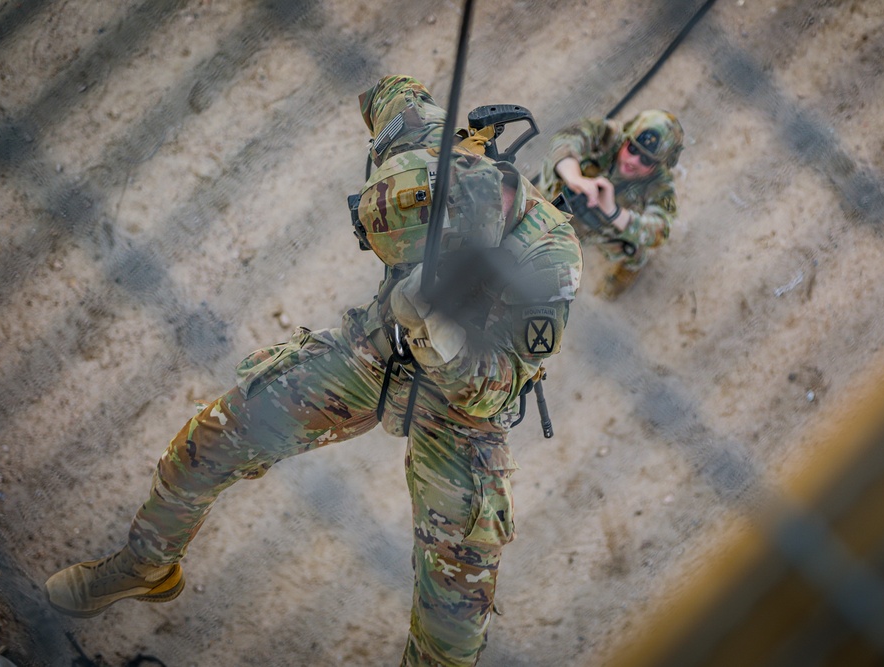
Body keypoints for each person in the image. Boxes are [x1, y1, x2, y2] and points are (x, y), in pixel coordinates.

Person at [44, 75, 583, 667]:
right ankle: (146, 565)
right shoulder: (425, 148)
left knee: (455, 613)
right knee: (210, 442)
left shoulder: (548, 260)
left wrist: (443, 336)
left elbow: (499, 386)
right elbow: (387, 90)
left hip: (461, 404)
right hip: (378, 345)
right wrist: (410, 148)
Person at [538, 109, 684, 300]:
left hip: (609, 229)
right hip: (564, 201)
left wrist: (614, 213)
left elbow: (660, 230)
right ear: (626, 139)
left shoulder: (661, 184)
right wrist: (575, 178)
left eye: (646, 160)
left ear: (658, 166)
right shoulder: (608, 135)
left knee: (634, 253)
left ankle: (623, 275)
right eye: (633, 149)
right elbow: (567, 138)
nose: (633, 161)